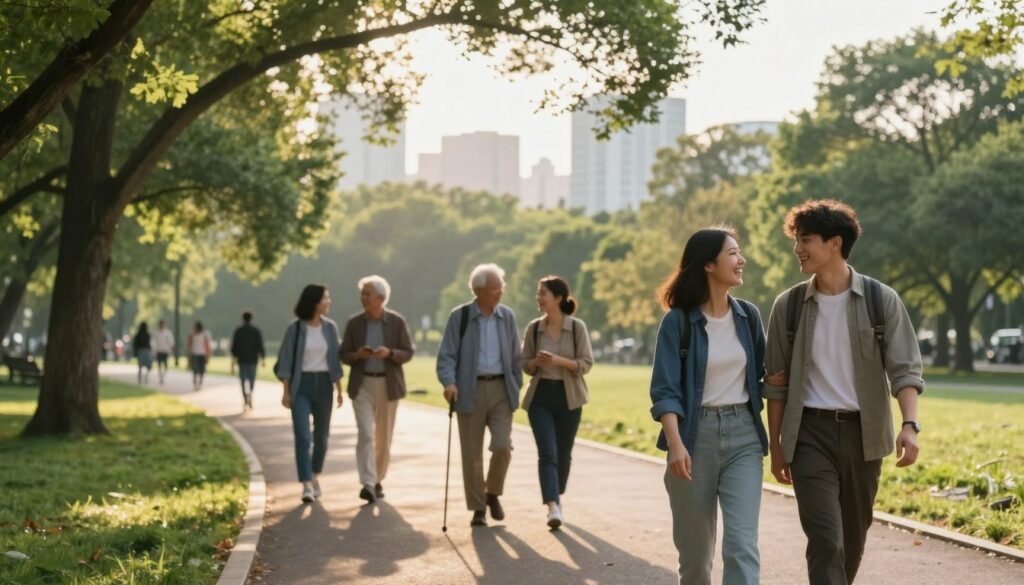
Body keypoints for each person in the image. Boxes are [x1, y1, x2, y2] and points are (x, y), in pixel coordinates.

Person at [763, 200, 924, 585]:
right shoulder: (788, 306)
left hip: (864, 437)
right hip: (809, 436)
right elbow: (775, 386)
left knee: (852, 540)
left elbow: (904, 369)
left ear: (834, 243)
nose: (797, 249)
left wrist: (910, 425)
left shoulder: (880, 300)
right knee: (825, 540)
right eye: (796, 240)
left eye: (806, 240)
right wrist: (777, 446)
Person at [649, 226, 769, 585]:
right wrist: (675, 445)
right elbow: (665, 390)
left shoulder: (748, 317)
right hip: (692, 438)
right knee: (696, 560)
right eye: (732, 253)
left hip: (744, 437)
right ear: (708, 265)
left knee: (741, 545)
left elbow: (762, 377)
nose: (741, 260)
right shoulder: (678, 322)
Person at [436, 263, 523, 527]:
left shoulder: (507, 316)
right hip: (468, 389)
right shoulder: (460, 317)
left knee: (502, 446)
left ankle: (492, 492)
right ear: (478, 290)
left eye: (501, 286)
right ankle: (478, 508)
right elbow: (446, 356)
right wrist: (449, 383)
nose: (500, 291)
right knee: (472, 454)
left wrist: (516, 383)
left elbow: (516, 357)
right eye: (495, 287)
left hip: (501, 389)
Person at [520, 275, 593, 530]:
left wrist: (557, 360)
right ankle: (552, 505)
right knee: (547, 453)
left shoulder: (577, 328)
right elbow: (525, 365)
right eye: (538, 293)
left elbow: (586, 364)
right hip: (540, 397)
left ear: (558, 298)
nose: (538, 298)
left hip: (569, 397)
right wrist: (536, 362)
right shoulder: (533, 329)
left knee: (563, 454)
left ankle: (556, 492)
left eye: (543, 293)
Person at [340, 275, 415, 504]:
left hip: (388, 385)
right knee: (365, 433)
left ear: (381, 298)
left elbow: (408, 352)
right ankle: (368, 482)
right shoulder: (354, 323)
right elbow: (344, 354)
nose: (363, 298)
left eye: (368, 294)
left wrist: (389, 353)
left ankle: (378, 478)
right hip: (362, 384)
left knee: (383, 437)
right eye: (362, 293)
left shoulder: (396, 321)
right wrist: (358, 355)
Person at [275, 284, 344, 503]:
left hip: (324, 385)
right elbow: (285, 361)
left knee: (321, 438)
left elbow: (335, 361)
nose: (328, 302)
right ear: (314, 302)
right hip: (301, 386)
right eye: (325, 298)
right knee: (303, 436)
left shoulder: (330, 328)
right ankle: (306, 484)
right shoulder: (295, 329)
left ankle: (314, 476)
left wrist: (339, 390)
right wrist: (286, 391)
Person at [231, 310, 266, 410]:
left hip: (242, 359)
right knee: (252, 380)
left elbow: (234, 347)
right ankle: (250, 393)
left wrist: (233, 361)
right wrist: (263, 359)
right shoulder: (256, 331)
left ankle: (245, 398)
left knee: (243, 380)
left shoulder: (238, 331)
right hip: (253, 359)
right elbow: (260, 345)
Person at [186, 321, 212, 391]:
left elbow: (207, 346)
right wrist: (189, 356)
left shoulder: (204, 335)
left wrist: (208, 355)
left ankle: (200, 383)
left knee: (202, 370)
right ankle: (195, 383)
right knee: (195, 370)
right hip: (194, 354)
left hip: (202, 354)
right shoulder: (192, 335)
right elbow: (189, 346)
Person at [152, 320, 175, 384]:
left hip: (165, 351)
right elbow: (153, 342)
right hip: (159, 350)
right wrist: (154, 350)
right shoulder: (156, 333)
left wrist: (170, 349)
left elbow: (171, 342)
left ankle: (163, 376)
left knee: (165, 364)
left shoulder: (168, 333)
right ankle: (160, 377)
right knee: (159, 365)